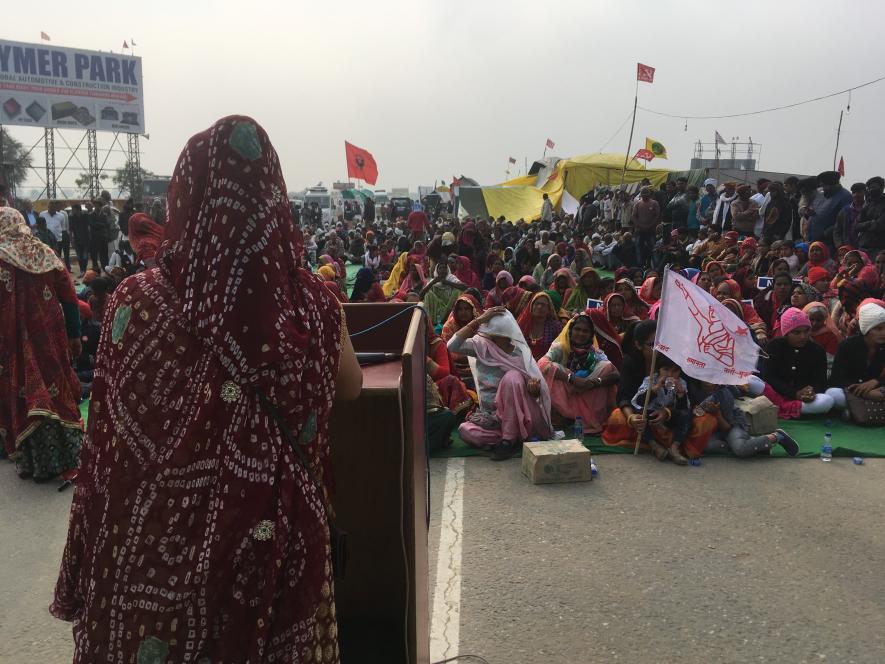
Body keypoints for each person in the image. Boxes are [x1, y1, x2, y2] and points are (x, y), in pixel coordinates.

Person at [52, 117, 363, 663]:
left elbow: (106, 445)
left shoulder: (135, 302)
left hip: (156, 563)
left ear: (183, 197)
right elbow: (351, 387)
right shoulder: (313, 303)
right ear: (275, 199)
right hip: (278, 556)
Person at [0, 207, 84, 481]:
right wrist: (74, 336)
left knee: (24, 397)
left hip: (12, 346)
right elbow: (70, 297)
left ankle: (33, 465)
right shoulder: (44, 253)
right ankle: (67, 457)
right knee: (55, 390)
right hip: (50, 339)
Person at [601, 320, 717, 458]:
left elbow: (689, 402)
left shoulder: (675, 361)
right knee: (618, 417)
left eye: (662, 344)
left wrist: (667, 412)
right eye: (652, 345)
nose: (659, 348)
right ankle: (654, 445)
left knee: (705, 420)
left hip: (673, 416)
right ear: (638, 345)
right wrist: (631, 417)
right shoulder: (631, 362)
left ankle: (674, 446)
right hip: (643, 413)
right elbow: (624, 396)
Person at [449, 307, 553, 460]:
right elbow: (451, 346)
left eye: (494, 332)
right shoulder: (481, 346)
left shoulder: (520, 353)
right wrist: (479, 320)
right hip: (493, 419)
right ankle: (514, 437)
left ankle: (508, 439)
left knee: (512, 377)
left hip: (521, 416)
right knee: (465, 430)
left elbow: (534, 392)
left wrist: (534, 388)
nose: (489, 335)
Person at [538, 313, 619, 435]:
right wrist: (572, 378)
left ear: (591, 334)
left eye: (585, 331)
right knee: (552, 367)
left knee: (606, 367)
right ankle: (563, 416)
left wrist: (592, 382)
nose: (581, 334)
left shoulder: (594, 353)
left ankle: (589, 420)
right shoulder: (560, 347)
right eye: (577, 329)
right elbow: (541, 363)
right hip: (566, 394)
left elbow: (616, 374)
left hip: (587, 391)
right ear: (570, 330)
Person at [760, 307, 834, 418]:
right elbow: (769, 377)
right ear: (786, 333)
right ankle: (792, 409)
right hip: (776, 394)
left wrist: (810, 391)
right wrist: (794, 393)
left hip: (804, 399)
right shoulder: (774, 346)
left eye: (806, 331)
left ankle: (784, 408)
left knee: (827, 400)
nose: (803, 336)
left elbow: (820, 382)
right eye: (796, 332)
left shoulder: (817, 351)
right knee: (753, 382)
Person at [693, 382, 799, 457]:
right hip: (715, 429)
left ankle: (777, 436)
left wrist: (717, 414)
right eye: (704, 379)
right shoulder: (692, 388)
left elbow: (727, 427)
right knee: (706, 446)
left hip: (733, 425)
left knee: (740, 450)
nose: (707, 382)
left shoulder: (722, 393)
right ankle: (755, 445)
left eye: (710, 380)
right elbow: (694, 414)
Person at [825, 301, 885, 419]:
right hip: (852, 391)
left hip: (877, 390)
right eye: (878, 329)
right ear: (866, 330)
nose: (884, 333)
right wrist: (866, 393)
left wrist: (876, 382)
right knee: (832, 395)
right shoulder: (848, 346)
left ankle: (853, 412)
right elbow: (837, 380)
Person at [630, 359, 691, 464]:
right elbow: (639, 402)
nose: (670, 374)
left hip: (669, 415)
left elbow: (683, 408)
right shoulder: (650, 380)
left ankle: (674, 448)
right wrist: (656, 387)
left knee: (687, 414)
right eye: (666, 370)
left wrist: (681, 394)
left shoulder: (681, 383)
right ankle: (654, 446)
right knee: (641, 414)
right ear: (659, 369)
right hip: (651, 414)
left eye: (675, 371)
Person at [810, 171, 852, 248]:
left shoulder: (845, 196)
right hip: (815, 240)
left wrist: (826, 233)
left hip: (831, 242)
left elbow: (844, 220)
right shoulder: (821, 195)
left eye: (823, 185)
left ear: (831, 184)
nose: (822, 188)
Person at [517, 291, 563, 360]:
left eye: (543, 305)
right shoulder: (524, 324)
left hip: (546, 363)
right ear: (531, 307)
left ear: (548, 309)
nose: (539, 307)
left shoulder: (555, 326)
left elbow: (560, 348)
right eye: (537, 304)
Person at [856, 176, 885, 257]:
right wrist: (871, 223)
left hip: (879, 248)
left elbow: (879, 225)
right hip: (863, 247)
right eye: (869, 188)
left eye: (873, 187)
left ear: (882, 187)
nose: (871, 190)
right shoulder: (868, 204)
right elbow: (857, 225)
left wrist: (865, 225)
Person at [631, 187, 659, 268]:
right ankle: (639, 267)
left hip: (651, 230)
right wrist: (640, 225)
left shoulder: (654, 203)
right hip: (639, 231)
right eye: (643, 194)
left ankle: (656, 267)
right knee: (639, 249)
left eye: (646, 193)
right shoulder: (638, 204)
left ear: (649, 194)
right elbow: (633, 216)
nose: (644, 195)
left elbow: (657, 216)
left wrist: (650, 225)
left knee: (653, 249)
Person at [832, 182, 866, 249]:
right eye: (854, 192)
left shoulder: (870, 208)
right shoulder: (844, 211)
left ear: (864, 193)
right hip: (847, 248)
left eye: (859, 192)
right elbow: (837, 231)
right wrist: (840, 246)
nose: (856, 195)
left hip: (865, 247)